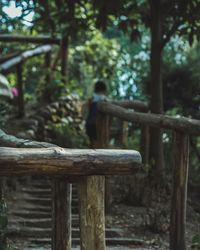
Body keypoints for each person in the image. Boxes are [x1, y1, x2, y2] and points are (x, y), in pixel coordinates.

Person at [84, 80, 107, 147]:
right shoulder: (103, 98)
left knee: (92, 143)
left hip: (89, 123)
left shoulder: (92, 98)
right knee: (98, 143)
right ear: (104, 90)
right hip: (97, 123)